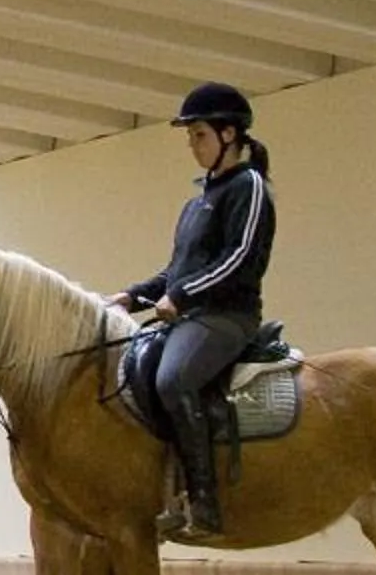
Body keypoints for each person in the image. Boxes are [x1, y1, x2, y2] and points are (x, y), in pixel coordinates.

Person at [113, 81, 275, 541]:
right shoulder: (196, 201)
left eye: (198, 135)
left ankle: (203, 501)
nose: (192, 145)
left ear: (229, 135)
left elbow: (239, 257)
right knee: (134, 367)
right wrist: (133, 296)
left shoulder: (249, 187)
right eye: (190, 137)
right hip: (191, 317)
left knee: (172, 378)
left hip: (227, 318)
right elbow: (176, 269)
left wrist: (181, 297)